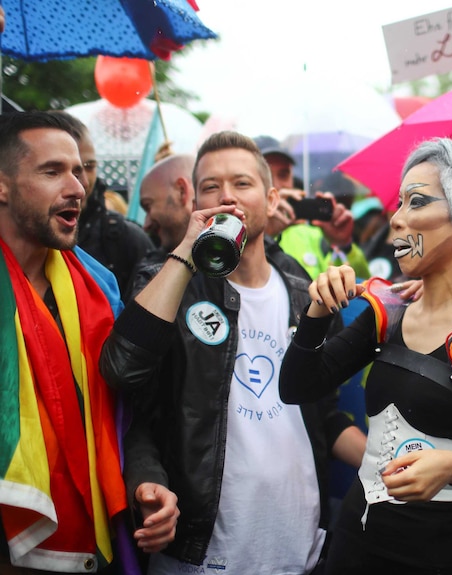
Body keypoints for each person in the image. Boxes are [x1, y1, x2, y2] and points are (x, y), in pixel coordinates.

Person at [99, 131, 366, 574]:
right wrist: (188, 250)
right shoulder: (169, 279)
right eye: (210, 187)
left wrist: (386, 464)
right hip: (200, 551)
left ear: (271, 195)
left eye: (242, 183)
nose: (227, 196)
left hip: (297, 544)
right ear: (194, 202)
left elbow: (323, 415)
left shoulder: (302, 290)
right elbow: (126, 378)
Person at [279, 137, 452, 574]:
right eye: (399, 203)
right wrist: (316, 313)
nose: (397, 220)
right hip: (352, 542)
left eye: (416, 203)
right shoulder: (387, 314)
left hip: (437, 554)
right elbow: (297, 388)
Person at [0, 112, 129, 572]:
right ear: (3, 186)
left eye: (78, 171)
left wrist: (149, 482)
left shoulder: (99, 288)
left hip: (86, 541)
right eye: (52, 171)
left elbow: (125, 413)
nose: (76, 187)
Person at [51, 111, 154, 301]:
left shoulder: (126, 240)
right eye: (55, 170)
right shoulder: (17, 243)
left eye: (89, 166)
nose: (81, 181)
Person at [254, 135, 371, 279]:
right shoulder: (238, 235)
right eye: (266, 176)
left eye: (284, 175)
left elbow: (362, 285)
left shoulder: (312, 235)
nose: (277, 186)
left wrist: (343, 245)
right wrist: (265, 236)